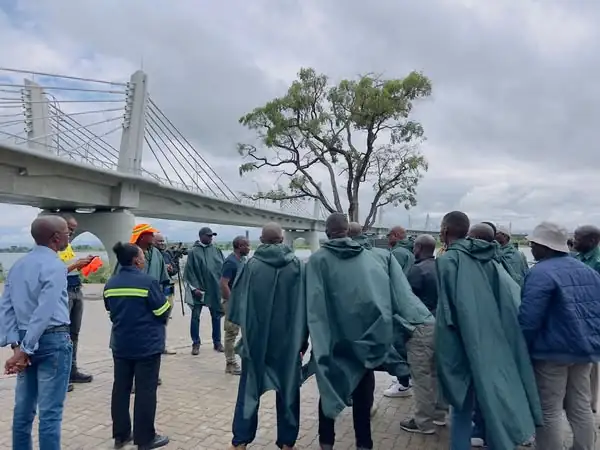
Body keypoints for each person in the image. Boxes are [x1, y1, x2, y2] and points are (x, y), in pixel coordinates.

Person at [435, 211, 542, 450]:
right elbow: (510, 298)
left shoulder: (447, 260)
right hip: (495, 343)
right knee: (492, 402)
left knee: (461, 406)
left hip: (463, 344)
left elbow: (447, 314)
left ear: (444, 230)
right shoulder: (491, 259)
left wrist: (444, 355)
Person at [306, 213, 398, 450]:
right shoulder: (370, 259)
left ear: (327, 232)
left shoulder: (317, 261)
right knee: (363, 399)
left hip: (330, 345)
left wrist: (302, 343)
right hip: (363, 345)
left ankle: (326, 444)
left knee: (328, 395)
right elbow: (382, 303)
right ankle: (363, 445)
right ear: (347, 230)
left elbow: (310, 306)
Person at [521, 222, 600, 450]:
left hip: (552, 352)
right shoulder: (588, 271)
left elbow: (529, 318)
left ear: (546, 246)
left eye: (534, 244)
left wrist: (522, 348)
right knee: (580, 405)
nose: (532, 248)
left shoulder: (540, 273)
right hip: (584, 351)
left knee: (549, 409)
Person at [228, 223, 305, 450]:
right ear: (282, 239)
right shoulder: (297, 266)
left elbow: (236, 310)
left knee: (249, 390)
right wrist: (303, 340)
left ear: (261, 240)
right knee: (289, 391)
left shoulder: (251, 266)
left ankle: (241, 441)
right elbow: (307, 307)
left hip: (256, 342)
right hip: (288, 344)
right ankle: (287, 443)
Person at [0, 215, 73, 450]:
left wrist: (17, 346)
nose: (69, 236)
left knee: (23, 411)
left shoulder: (18, 265)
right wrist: (25, 349)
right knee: (50, 415)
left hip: (23, 341)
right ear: (56, 238)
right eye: (67, 232)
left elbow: (6, 308)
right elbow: (45, 311)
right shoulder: (55, 266)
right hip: (52, 341)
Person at [104, 242, 171, 450]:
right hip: (146, 347)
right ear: (136, 261)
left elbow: (111, 311)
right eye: (142, 256)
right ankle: (145, 438)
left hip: (121, 346)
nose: (144, 259)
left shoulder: (110, 284)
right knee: (145, 391)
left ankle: (121, 435)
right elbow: (162, 312)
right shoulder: (148, 282)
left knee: (121, 389)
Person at [348, 222, 413, 400]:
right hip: (389, 309)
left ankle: (403, 382)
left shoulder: (395, 253)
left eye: (390, 235)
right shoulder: (389, 254)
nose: (387, 238)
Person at [124, 224, 170, 389]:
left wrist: (164, 299)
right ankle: (135, 381)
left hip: (154, 305)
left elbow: (164, 278)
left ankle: (151, 375)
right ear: (142, 236)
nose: (153, 237)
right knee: (136, 344)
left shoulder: (156, 254)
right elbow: (119, 278)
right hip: (134, 307)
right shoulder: (128, 254)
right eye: (150, 234)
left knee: (152, 343)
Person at [56, 215, 94, 392]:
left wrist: (82, 264)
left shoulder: (67, 246)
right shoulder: (50, 247)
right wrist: (74, 265)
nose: (71, 232)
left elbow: (68, 267)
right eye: (69, 229)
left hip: (76, 289)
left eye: (73, 229)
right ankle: (60, 376)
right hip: (64, 294)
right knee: (62, 334)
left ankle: (72, 370)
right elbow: (53, 273)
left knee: (74, 334)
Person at [184, 226, 225, 355]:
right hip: (198, 291)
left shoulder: (216, 250)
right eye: (208, 235)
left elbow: (222, 269)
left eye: (212, 235)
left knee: (216, 316)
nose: (211, 237)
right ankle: (195, 343)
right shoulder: (193, 252)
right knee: (195, 317)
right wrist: (194, 288)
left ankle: (217, 342)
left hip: (214, 290)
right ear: (201, 236)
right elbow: (189, 272)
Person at [573, 225, 600, 413]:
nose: (574, 241)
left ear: (592, 241)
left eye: (578, 238)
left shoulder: (597, 262)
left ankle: (589, 406)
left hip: (592, 319)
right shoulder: (577, 258)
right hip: (576, 318)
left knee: (592, 366)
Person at [220, 236, 250, 376]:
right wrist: (231, 302)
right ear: (239, 246)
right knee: (231, 332)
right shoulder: (230, 262)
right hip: (232, 303)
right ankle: (230, 364)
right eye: (246, 245)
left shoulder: (242, 261)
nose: (249, 248)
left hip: (241, 302)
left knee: (241, 331)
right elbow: (224, 283)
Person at [154, 233, 178, 355]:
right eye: (159, 241)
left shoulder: (167, 254)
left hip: (169, 292)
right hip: (157, 292)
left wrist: (171, 269)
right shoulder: (151, 255)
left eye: (163, 241)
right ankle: (157, 345)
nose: (162, 243)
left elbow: (175, 270)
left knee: (165, 319)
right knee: (156, 320)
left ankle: (161, 344)